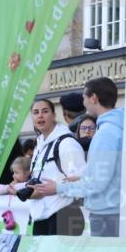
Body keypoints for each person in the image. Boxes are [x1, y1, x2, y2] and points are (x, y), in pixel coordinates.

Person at [34, 76, 123, 237]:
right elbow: (108, 174)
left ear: (93, 98)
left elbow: (97, 183)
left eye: (84, 98)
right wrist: (83, 177)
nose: (83, 103)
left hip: (107, 213)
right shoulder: (113, 128)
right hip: (112, 211)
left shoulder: (106, 134)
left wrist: (59, 188)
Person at [23, 98, 86, 236]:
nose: (40, 115)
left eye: (45, 111)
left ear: (54, 115)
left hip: (64, 215)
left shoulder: (66, 143)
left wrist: (57, 188)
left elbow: (82, 181)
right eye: (36, 112)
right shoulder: (39, 144)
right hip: (41, 216)